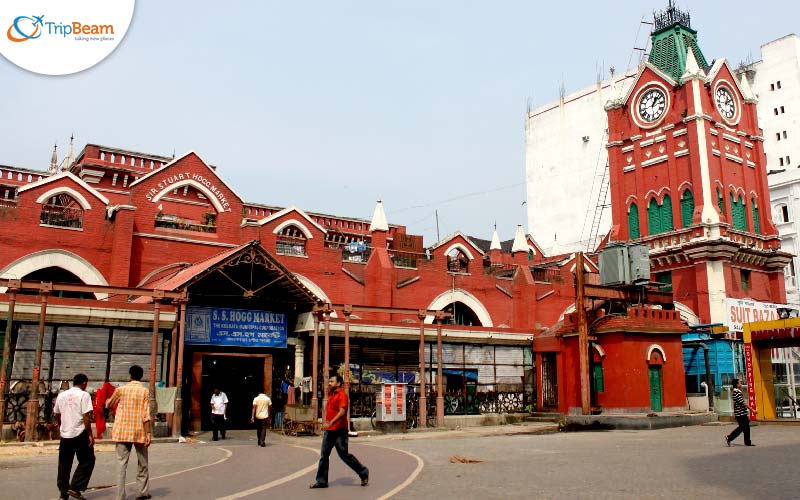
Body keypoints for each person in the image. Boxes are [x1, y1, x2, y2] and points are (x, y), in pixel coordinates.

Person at [310, 374, 369, 489]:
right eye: (329, 381)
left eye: (332, 381)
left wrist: (330, 422)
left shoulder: (342, 395)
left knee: (344, 455)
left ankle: (363, 472)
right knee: (324, 456)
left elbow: (342, 412)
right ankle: (321, 481)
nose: (329, 383)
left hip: (339, 431)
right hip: (329, 431)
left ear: (338, 384)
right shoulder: (331, 395)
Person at [106, 365, 152, 500]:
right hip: (139, 432)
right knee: (143, 463)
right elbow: (146, 415)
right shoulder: (144, 392)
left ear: (130, 375)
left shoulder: (120, 390)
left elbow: (109, 404)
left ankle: (120, 496)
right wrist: (148, 434)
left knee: (121, 464)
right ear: (141, 377)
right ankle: (142, 492)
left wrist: (108, 401)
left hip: (122, 431)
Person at [54, 373, 95, 500]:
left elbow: (57, 413)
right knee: (88, 460)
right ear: (84, 383)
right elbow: (86, 417)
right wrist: (90, 434)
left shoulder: (62, 395)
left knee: (64, 464)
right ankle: (75, 487)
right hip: (79, 432)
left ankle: (63, 493)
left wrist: (62, 425)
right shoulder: (84, 395)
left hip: (65, 433)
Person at [725, 378, 757, 447]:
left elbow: (735, 403)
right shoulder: (737, 392)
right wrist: (752, 409)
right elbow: (742, 402)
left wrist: (734, 413)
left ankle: (747, 441)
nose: (741, 384)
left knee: (745, 427)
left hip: (739, 412)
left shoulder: (735, 391)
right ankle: (729, 437)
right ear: (737, 384)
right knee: (743, 427)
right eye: (740, 383)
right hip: (741, 413)